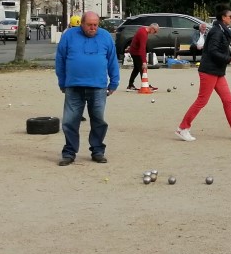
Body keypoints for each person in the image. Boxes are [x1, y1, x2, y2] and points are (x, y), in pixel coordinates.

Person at [176, 4, 231, 142]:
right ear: (223, 17)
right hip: (209, 71)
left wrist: (230, 56)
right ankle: (183, 128)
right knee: (202, 101)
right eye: (230, 16)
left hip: (217, 71)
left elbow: (219, 49)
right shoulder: (217, 32)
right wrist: (230, 59)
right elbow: (212, 52)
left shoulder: (220, 30)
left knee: (228, 100)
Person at [55, 11, 120, 166]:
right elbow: (60, 59)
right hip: (74, 86)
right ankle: (69, 152)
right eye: (89, 25)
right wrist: (62, 82)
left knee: (98, 120)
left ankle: (97, 150)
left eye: (95, 25)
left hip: (98, 86)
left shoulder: (105, 37)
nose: (93, 28)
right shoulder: (69, 36)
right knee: (70, 121)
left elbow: (112, 60)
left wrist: (114, 82)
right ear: (82, 24)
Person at [126, 23, 159, 91]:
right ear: (152, 28)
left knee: (136, 69)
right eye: (155, 31)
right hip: (136, 52)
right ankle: (146, 85)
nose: (154, 33)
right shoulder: (143, 34)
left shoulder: (142, 29)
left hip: (133, 51)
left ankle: (130, 85)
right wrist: (144, 62)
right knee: (142, 68)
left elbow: (135, 41)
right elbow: (142, 48)